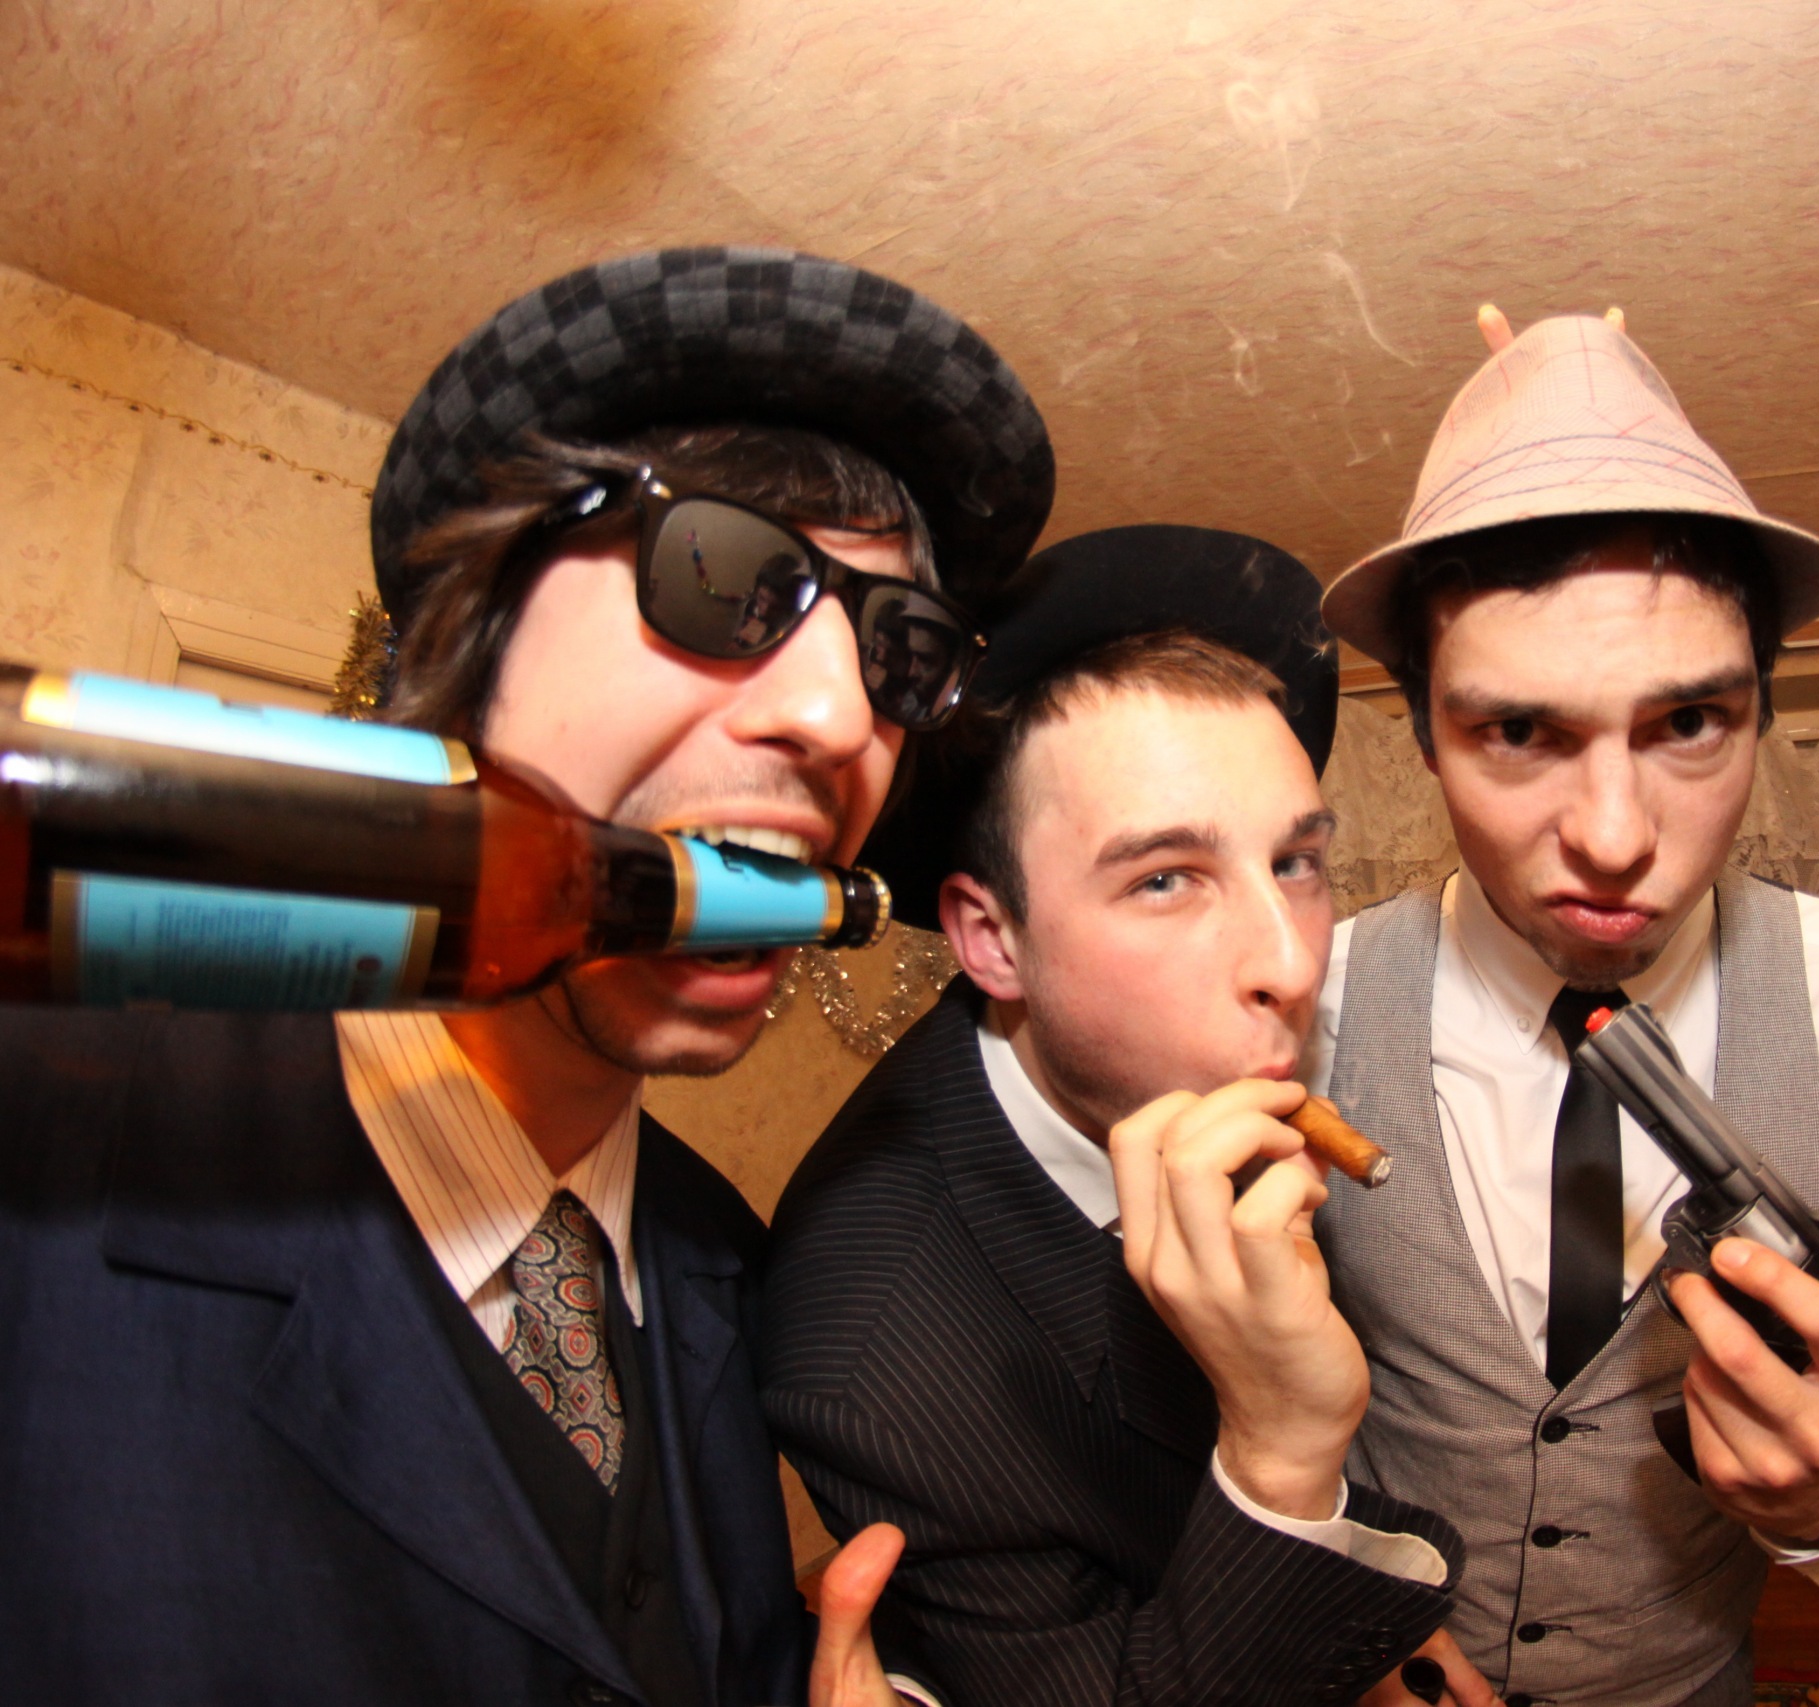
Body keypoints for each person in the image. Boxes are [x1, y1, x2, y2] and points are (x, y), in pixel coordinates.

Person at [0, 246, 1053, 1707]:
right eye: (725, 576)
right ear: (464, 645)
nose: (836, 717)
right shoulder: (44, 1162)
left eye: (898, 654)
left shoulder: (726, 1261)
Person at [1304, 308, 1819, 1707]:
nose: (1612, 835)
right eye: (1518, 731)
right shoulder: (1311, 1005)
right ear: (1421, 734)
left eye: (1687, 724)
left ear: (1762, 711)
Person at [761, 526, 1469, 1707]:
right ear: (992, 940)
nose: (1292, 963)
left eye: (1295, 863)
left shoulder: (1172, 1063)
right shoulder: (870, 1349)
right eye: (1164, 879)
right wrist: (1284, 1459)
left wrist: (1391, 1644)